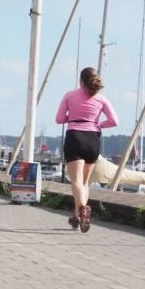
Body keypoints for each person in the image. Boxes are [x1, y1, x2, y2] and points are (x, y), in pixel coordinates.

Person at [54, 67, 119, 232]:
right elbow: (114, 121)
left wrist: (73, 116)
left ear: (81, 80)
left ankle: (83, 208)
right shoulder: (101, 99)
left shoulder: (69, 95)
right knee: (84, 182)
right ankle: (77, 217)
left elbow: (59, 119)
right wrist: (97, 123)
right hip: (93, 139)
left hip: (75, 136)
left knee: (75, 181)